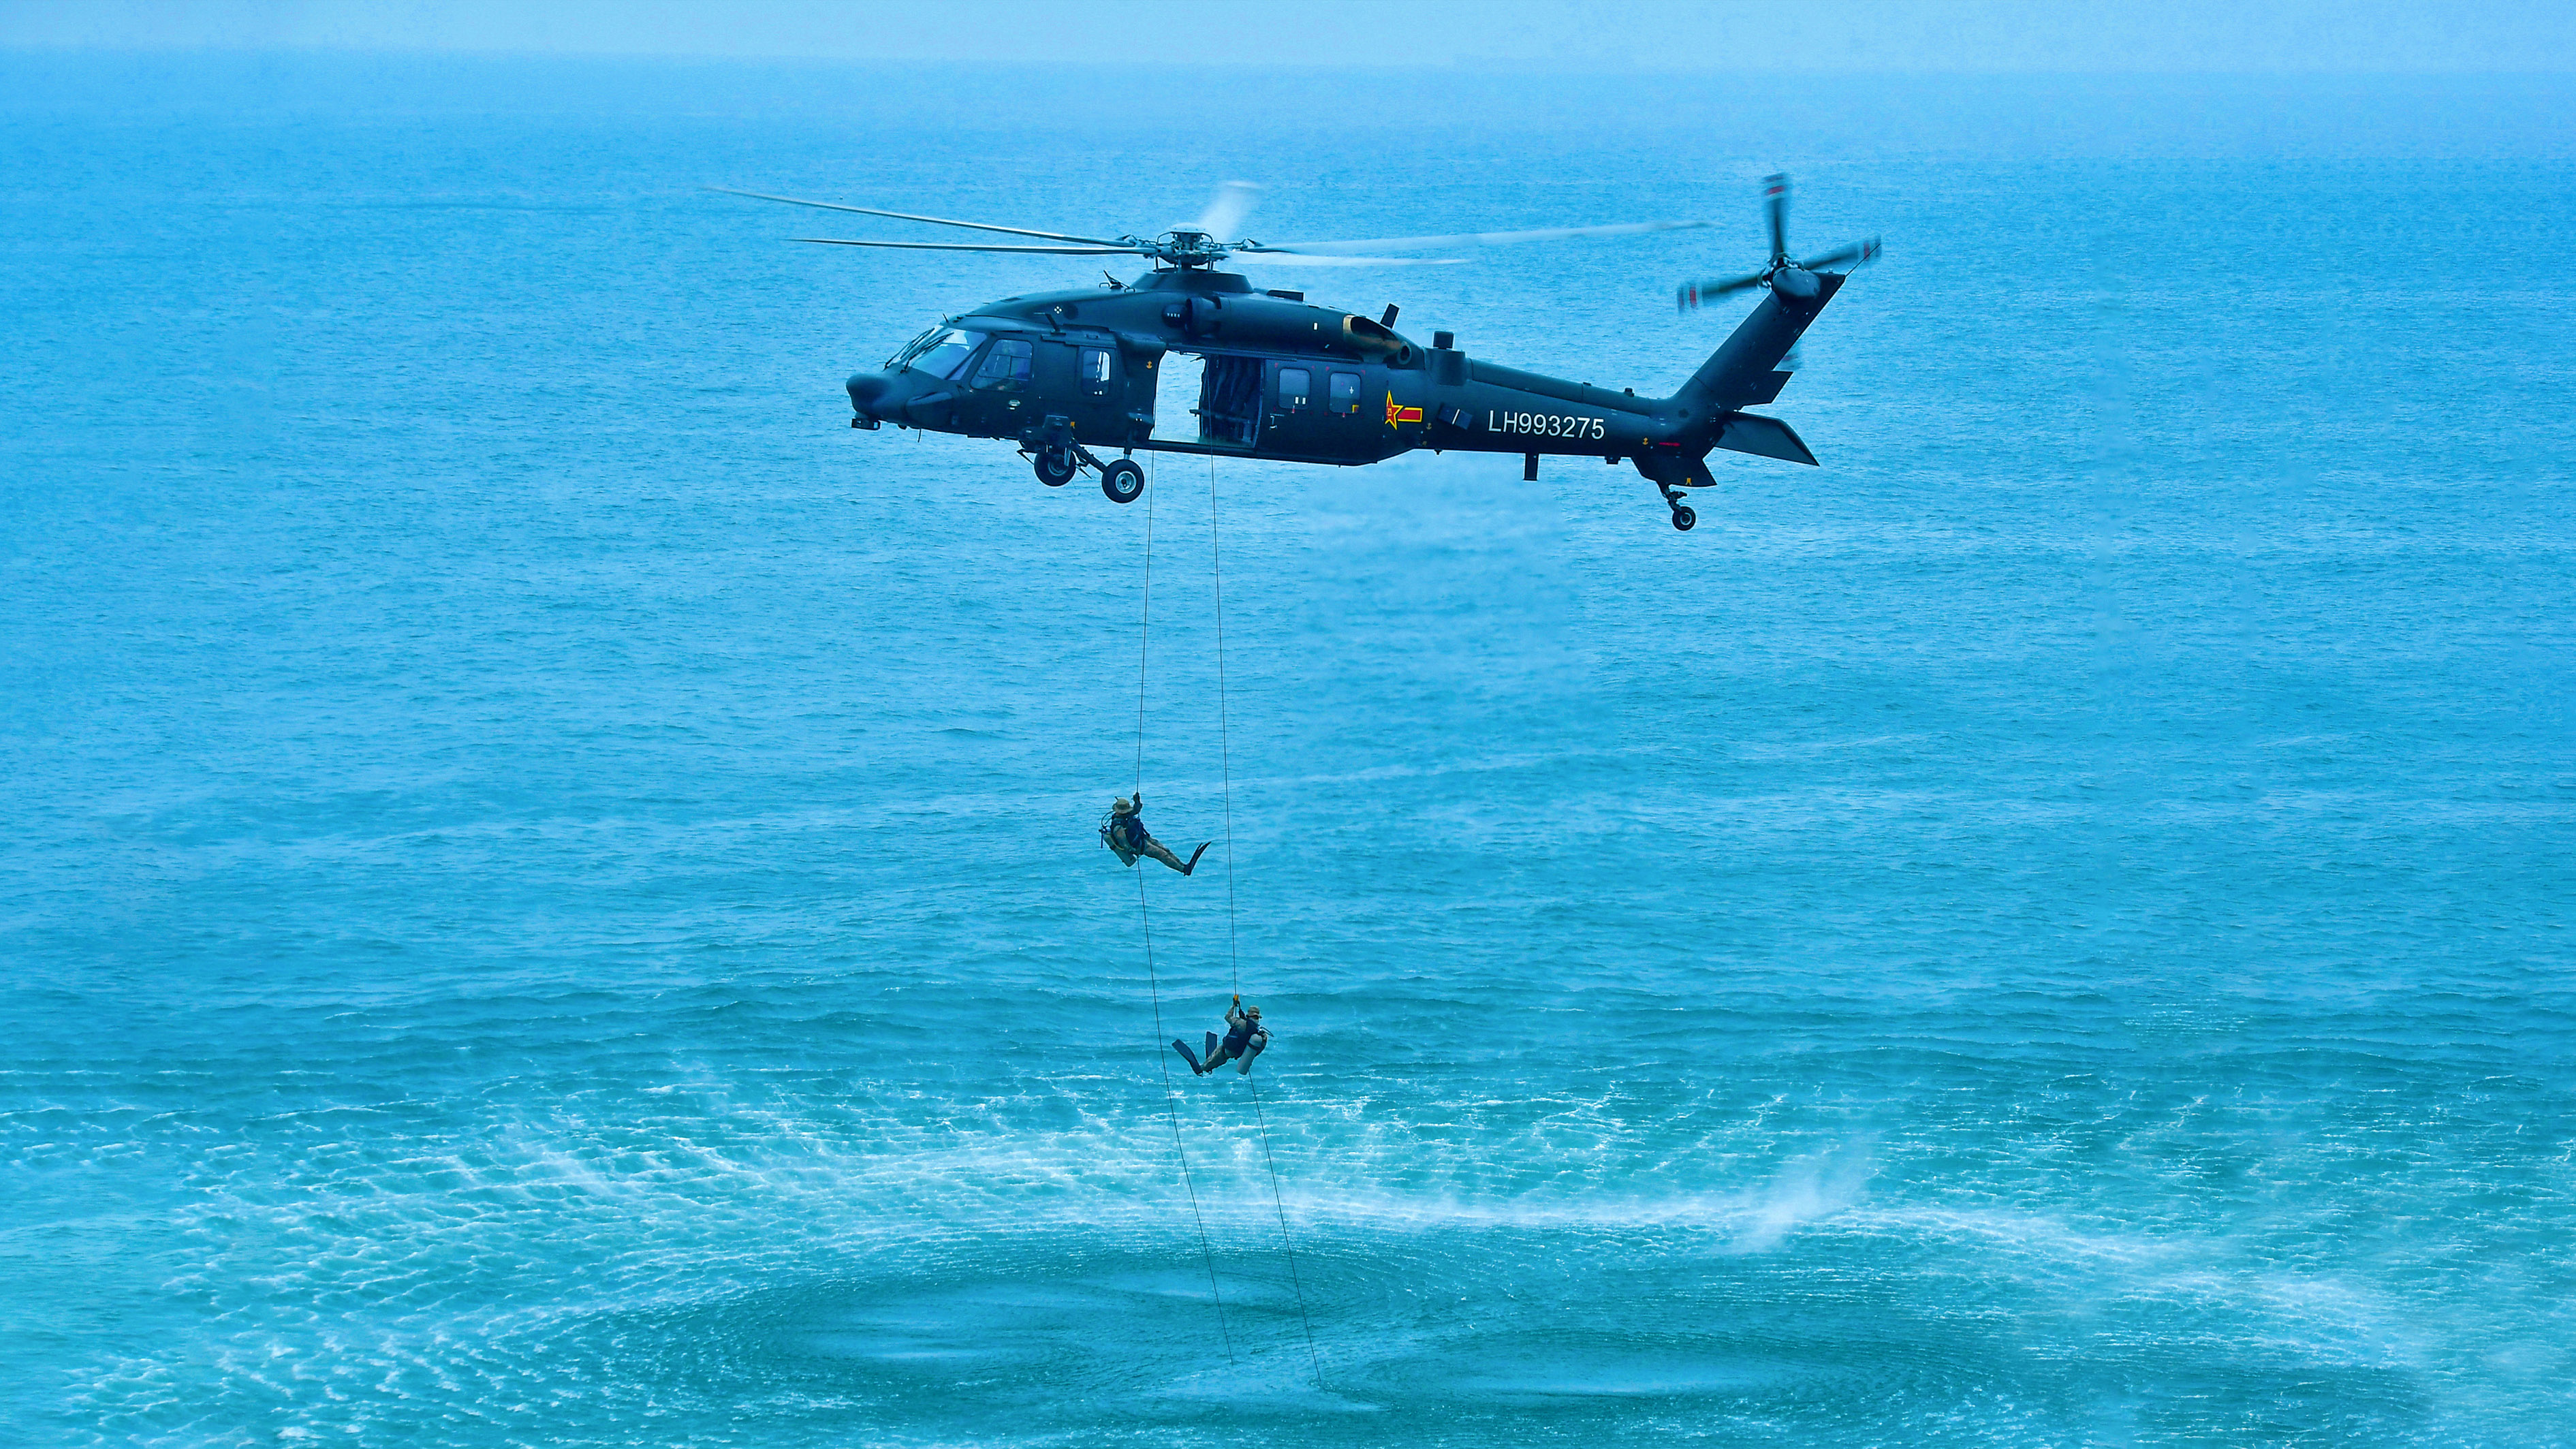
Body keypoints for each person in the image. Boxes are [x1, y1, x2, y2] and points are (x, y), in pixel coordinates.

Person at [1101, 793, 1210, 875]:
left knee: (1165, 850)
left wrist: (1137, 802)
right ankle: (1184, 870)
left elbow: (1136, 810)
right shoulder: (1117, 826)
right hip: (1138, 846)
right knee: (1161, 854)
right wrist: (1133, 850)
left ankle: (1183, 866)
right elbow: (1124, 843)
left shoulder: (1125, 815)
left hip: (1142, 838)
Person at [1175, 995, 1267, 1076]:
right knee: (1217, 1060)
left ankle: (1202, 1069)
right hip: (1239, 1054)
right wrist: (1248, 1057)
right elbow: (1260, 1047)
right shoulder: (1260, 1032)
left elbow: (1227, 1017)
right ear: (1258, 1017)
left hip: (1226, 1050)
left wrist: (1234, 1005)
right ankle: (1209, 1065)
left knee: (1205, 1066)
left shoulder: (1241, 1023)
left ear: (1249, 1015)